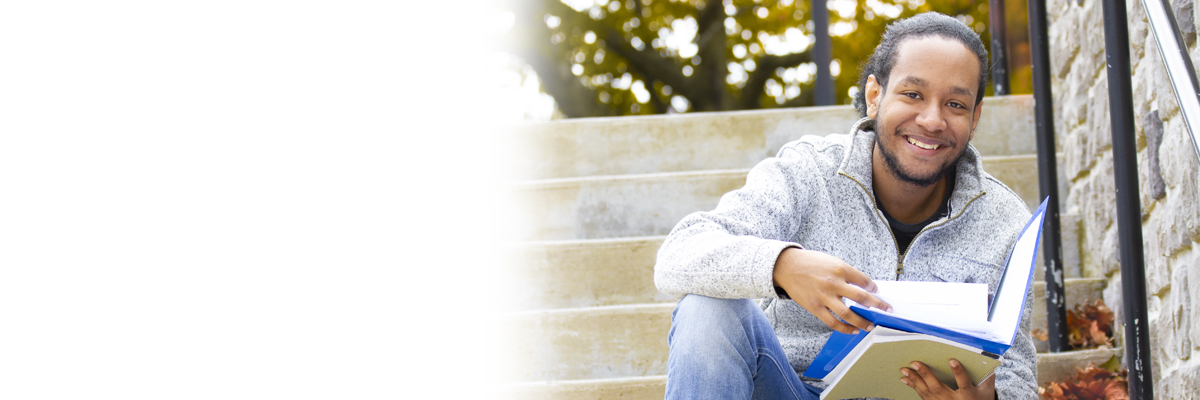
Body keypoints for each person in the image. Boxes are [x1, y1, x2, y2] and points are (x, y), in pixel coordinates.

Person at [654, 12, 1037, 400]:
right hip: (792, 390)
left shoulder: (1004, 220)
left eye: (955, 103)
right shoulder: (807, 171)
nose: (932, 120)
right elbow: (679, 254)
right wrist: (783, 266)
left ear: (975, 118)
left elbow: (1018, 374)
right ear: (875, 96)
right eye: (912, 94)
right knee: (709, 311)